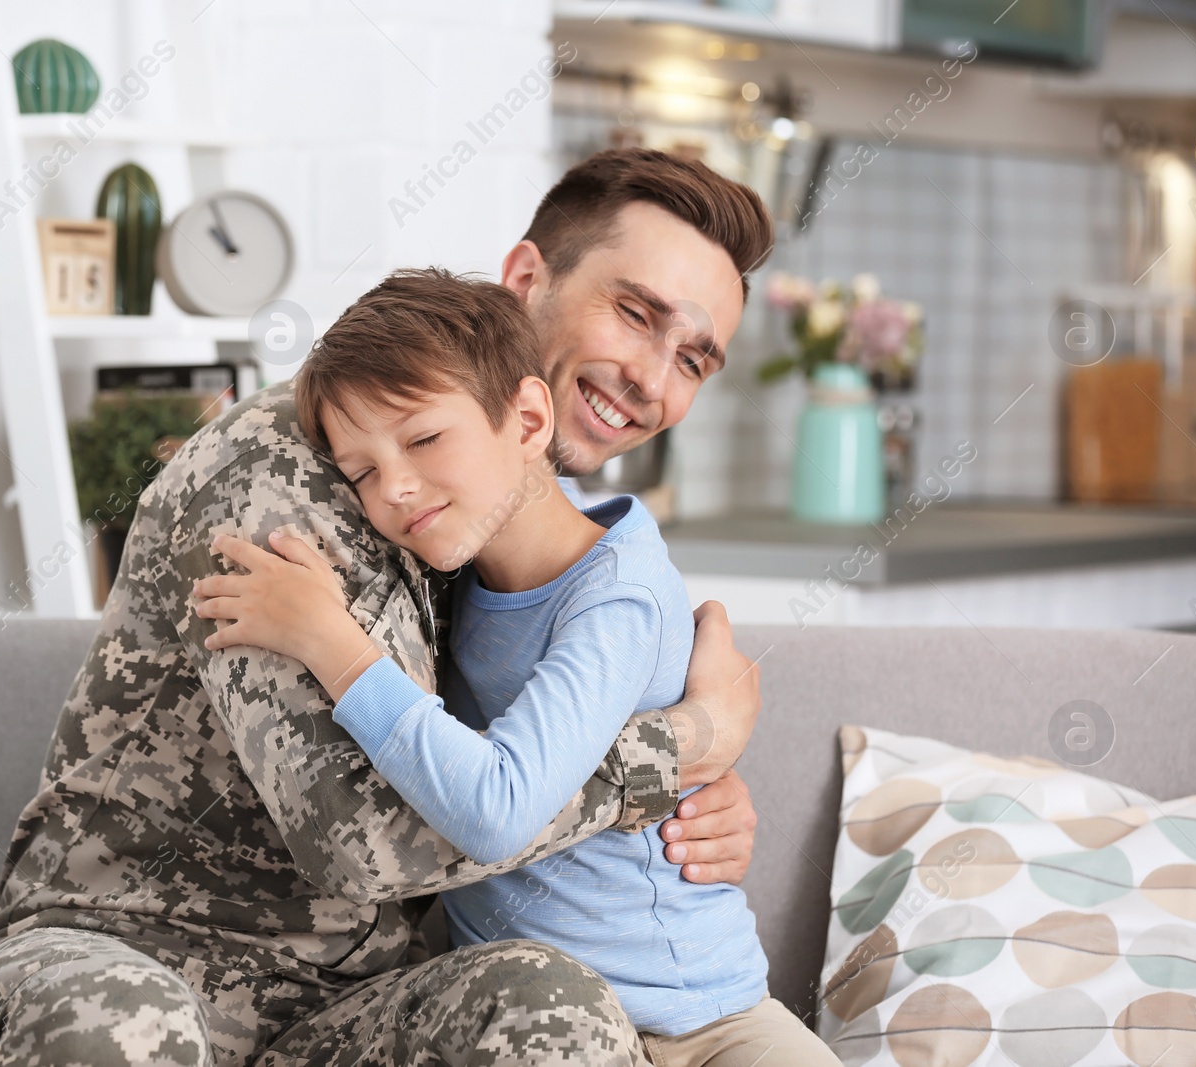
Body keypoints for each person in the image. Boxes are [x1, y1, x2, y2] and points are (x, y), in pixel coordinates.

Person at [0, 147, 773, 1067]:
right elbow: (365, 842)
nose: (650, 376)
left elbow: (525, 736)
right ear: (527, 279)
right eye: (633, 312)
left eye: (690, 356)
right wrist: (677, 745)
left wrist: (685, 807)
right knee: (125, 1023)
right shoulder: (286, 475)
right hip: (119, 957)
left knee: (551, 1001)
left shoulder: (488, 519)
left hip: (335, 1016)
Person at [195, 267, 838, 1066]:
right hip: (529, 1026)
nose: (393, 486)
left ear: (530, 418)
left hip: (701, 1022)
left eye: (425, 439)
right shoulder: (450, 574)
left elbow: (497, 807)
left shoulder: (619, 596)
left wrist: (330, 640)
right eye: (360, 471)